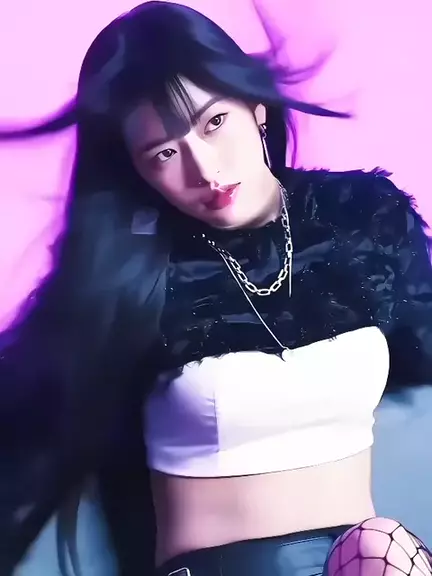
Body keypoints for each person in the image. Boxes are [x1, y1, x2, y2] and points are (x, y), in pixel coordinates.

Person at [0, 2, 432, 575]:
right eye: (164, 153)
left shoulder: (362, 221)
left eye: (214, 123)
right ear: (138, 172)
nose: (204, 170)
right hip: (217, 567)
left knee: (380, 542)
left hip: (360, 561)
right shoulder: (135, 276)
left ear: (256, 107)